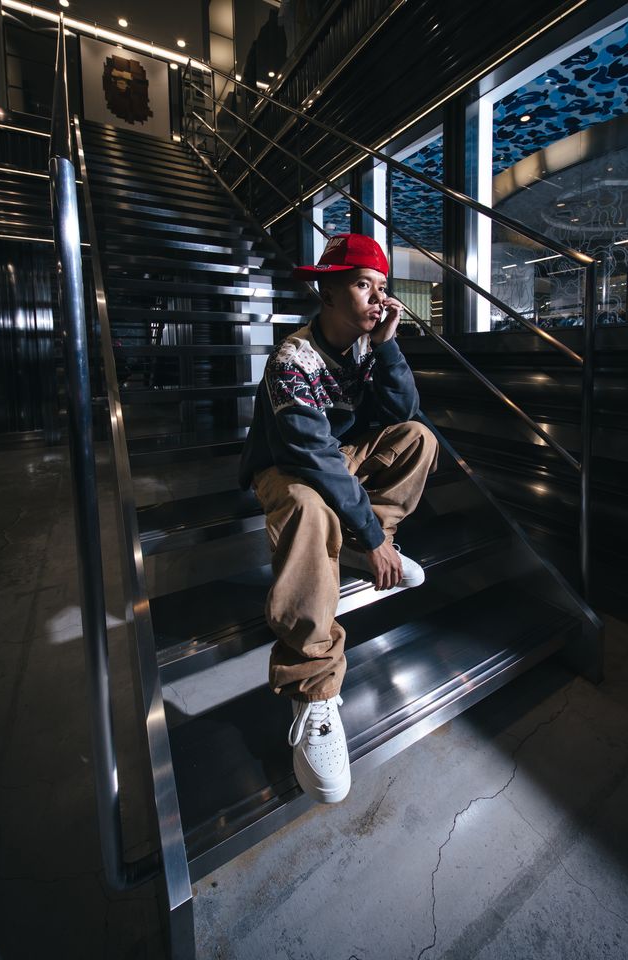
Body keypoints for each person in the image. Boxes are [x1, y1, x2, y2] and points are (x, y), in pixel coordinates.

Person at [238, 233, 438, 804]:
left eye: (382, 287)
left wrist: (389, 348)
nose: (378, 298)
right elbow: (312, 459)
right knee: (307, 505)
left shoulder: (368, 348)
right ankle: (314, 690)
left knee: (418, 439)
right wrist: (375, 537)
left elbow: (403, 415)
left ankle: (355, 541)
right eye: (362, 285)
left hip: (336, 456)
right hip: (285, 465)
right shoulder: (292, 359)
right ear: (327, 292)